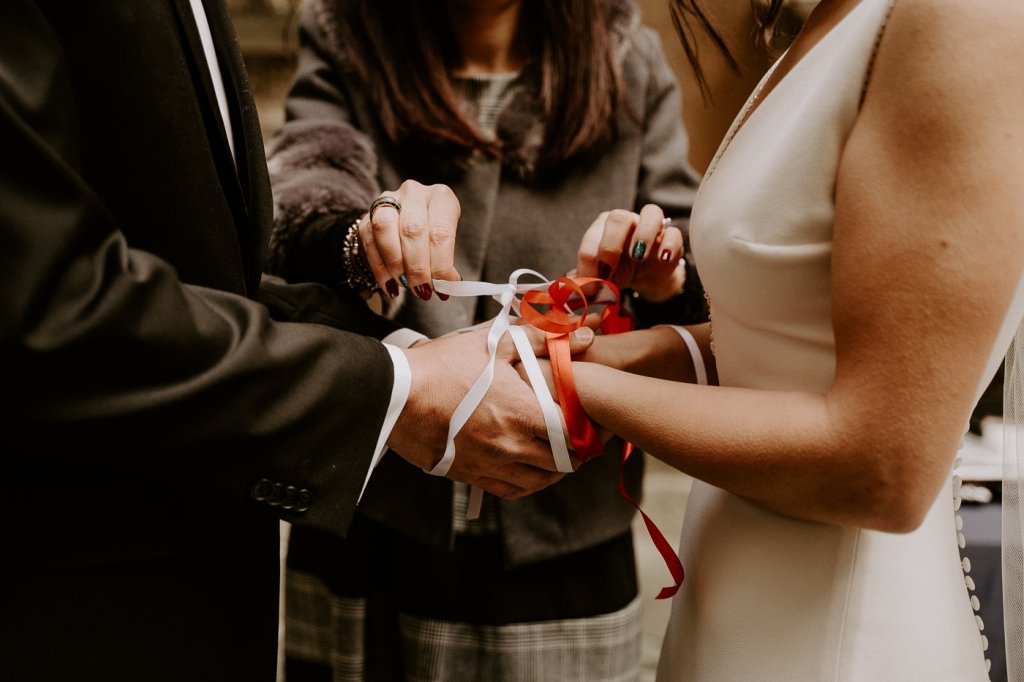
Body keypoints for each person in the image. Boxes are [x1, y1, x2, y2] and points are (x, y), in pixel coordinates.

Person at [0, 2, 584, 680]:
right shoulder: (348, 35)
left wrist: (401, 357)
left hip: (205, 591)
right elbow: (44, 301)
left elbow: (208, 277)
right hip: (79, 606)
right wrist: (396, 382)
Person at [557, 0, 1024, 678]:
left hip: (835, 639)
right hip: (728, 611)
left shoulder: (959, 19)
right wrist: (591, 355)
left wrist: (573, 387)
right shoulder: (827, 20)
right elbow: (783, 347)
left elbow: (881, 468)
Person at [263, 0, 705, 679]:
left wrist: (664, 273)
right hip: (378, 519)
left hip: (564, 538)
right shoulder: (348, 38)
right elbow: (304, 205)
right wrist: (362, 241)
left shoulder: (630, 59)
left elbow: (691, 262)